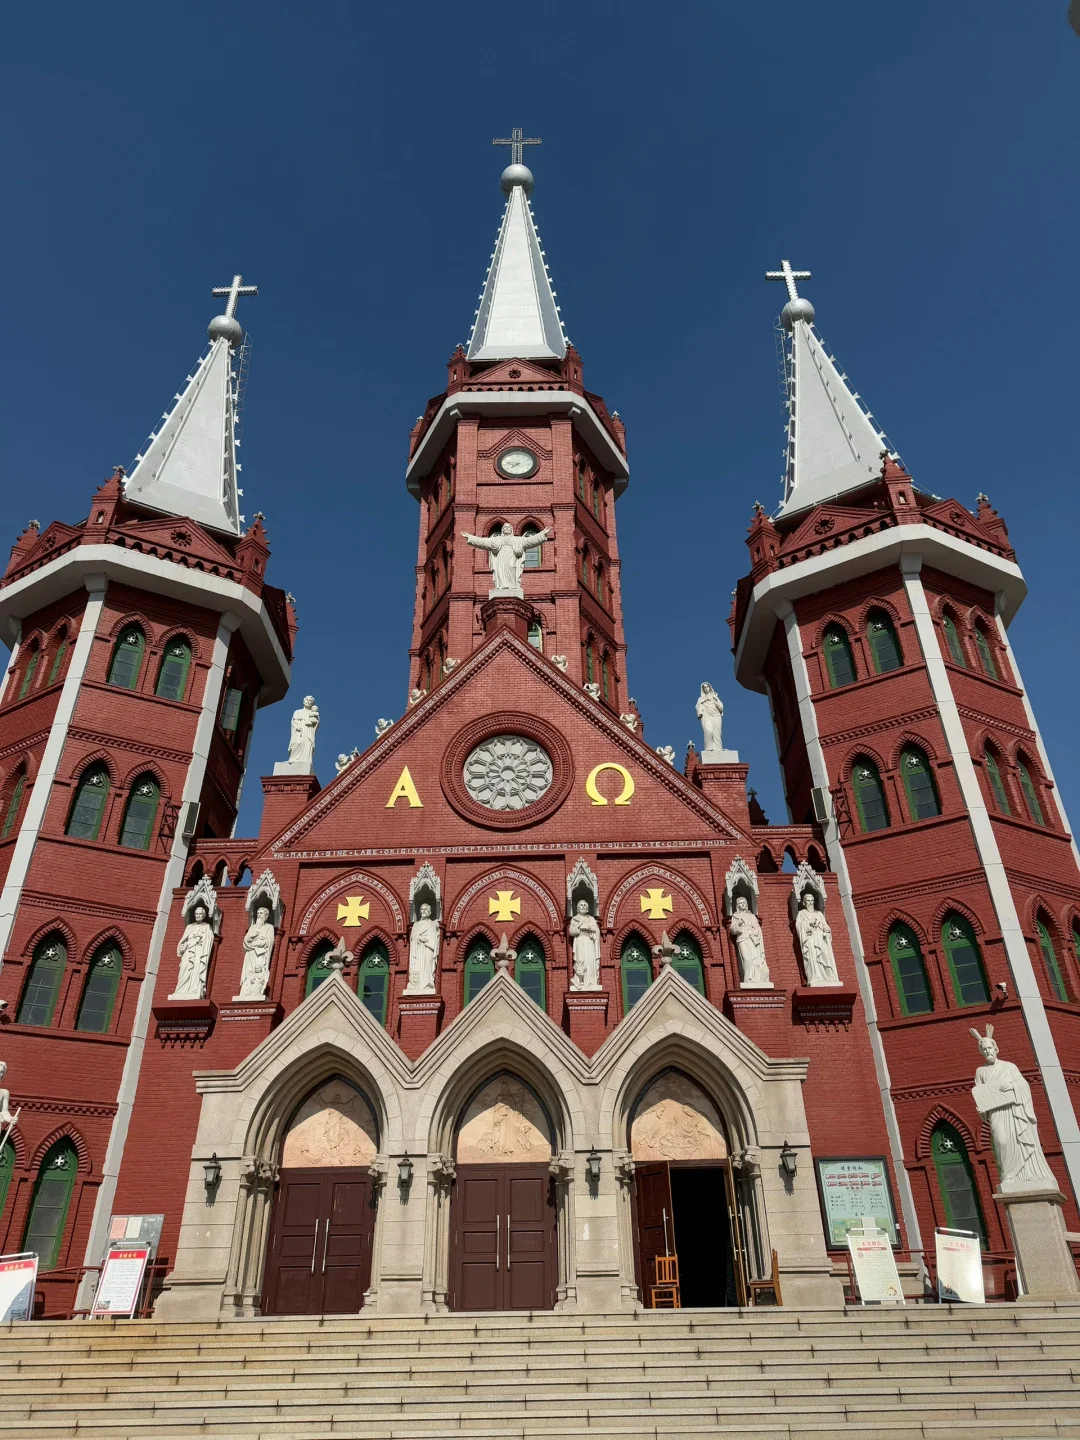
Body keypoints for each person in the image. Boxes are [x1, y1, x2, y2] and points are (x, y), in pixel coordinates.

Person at [971, 1025, 1055, 1186]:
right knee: (1001, 1141)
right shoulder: (980, 1072)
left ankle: (1027, 1173)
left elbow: (1023, 1085)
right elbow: (980, 1092)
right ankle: (1008, 1174)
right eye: (984, 1050)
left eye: (989, 1048)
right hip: (996, 1112)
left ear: (996, 1049)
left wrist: (1012, 1086)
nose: (987, 1052)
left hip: (1014, 1110)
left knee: (1019, 1139)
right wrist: (982, 1108)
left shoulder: (1009, 1066)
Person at [461, 523, 553, 593]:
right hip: (501, 558)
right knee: (501, 571)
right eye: (505, 528)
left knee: (511, 567)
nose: (507, 529)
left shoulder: (517, 540)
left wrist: (542, 534)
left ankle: (512, 585)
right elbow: (483, 542)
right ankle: (502, 586)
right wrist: (470, 538)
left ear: (511, 530)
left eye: (509, 528)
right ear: (502, 530)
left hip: (511, 557)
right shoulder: (497, 540)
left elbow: (530, 541)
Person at [170, 902, 215, 999]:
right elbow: (183, 940)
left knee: (196, 970)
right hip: (188, 951)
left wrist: (201, 939)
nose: (198, 916)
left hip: (198, 952)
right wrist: (183, 946)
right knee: (185, 968)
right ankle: (181, 990)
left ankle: (195, 989)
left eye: (200, 914)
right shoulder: (189, 927)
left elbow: (208, 942)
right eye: (197, 914)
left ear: (204, 915)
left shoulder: (207, 927)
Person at [795, 891, 840, 985]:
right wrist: (809, 923)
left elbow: (825, 925)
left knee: (825, 955)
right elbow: (798, 926)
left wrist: (827, 930)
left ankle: (829, 976)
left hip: (820, 938)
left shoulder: (819, 914)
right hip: (810, 939)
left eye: (812, 900)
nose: (810, 902)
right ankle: (816, 977)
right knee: (813, 959)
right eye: (808, 901)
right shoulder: (801, 913)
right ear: (804, 902)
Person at [235, 904, 275, 1001]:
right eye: (258, 913)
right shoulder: (253, 927)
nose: (259, 915)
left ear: (266, 916)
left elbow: (270, 940)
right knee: (249, 970)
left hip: (261, 953)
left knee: (258, 969)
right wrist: (253, 935)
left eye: (261, 913)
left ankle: (256, 990)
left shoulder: (269, 927)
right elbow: (246, 941)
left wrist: (263, 942)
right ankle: (246, 990)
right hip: (251, 953)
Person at [728, 896, 770, 986]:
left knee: (755, 959)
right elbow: (732, 929)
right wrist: (738, 924)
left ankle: (756, 978)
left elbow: (758, 928)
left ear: (746, 904)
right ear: (737, 905)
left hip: (752, 938)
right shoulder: (736, 916)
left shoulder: (752, 916)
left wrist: (754, 932)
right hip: (742, 938)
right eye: (740, 903)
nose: (742, 904)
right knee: (746, 959)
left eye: (744, 902)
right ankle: (748, 979)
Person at [405, 902, 440, 994]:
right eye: (421, 909)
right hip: (417, 949)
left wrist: (425, 940)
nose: (423, 911)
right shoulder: (416, 925)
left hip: (427, 949)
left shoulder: (433, 924)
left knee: (427, 965)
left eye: (425, 909)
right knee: (417, 966)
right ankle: (415, 984)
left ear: (429, 912)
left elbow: (433, 939)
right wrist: (419, 938)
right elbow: (412, 937)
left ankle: (427, 984)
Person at [568, 899, 602, 990]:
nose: (583, 907)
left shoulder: (591, 919)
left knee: (589, 960)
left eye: (584, 905)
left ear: (587, 908)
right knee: (581, 959)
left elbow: (596, 930)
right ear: (578, 908)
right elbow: (571, 932)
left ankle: (590, 981)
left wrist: (590, 928)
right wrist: (579, 926)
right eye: (581, 905)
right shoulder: (575, 919)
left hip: (589, 941)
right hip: (580, 940)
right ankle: (578, 980)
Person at [287, 695, 320, 766]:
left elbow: (316, 723)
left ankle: (306, 760)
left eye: (310, 701)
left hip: (308, 732)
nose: (308, 702)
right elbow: (293, 722)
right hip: (299, 731)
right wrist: (297, 726)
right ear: (303, 701)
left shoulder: (313, 713)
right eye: (307, 700)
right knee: (297, 743)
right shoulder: (297, 712)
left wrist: (315, 722)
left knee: (307, 744)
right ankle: (293, 759)